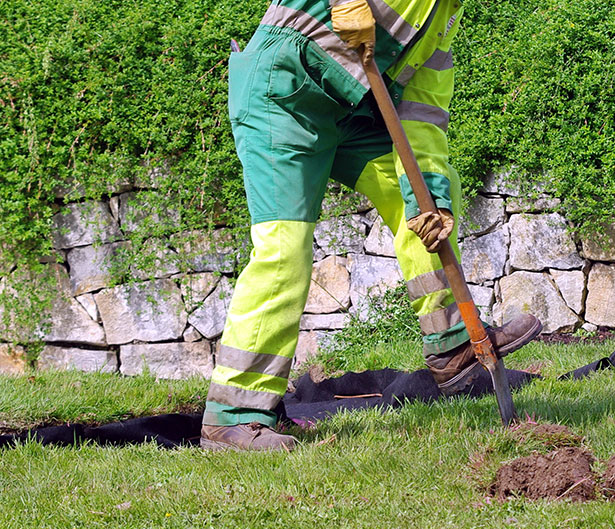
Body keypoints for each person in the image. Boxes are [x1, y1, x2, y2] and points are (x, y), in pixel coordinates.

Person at [200, 0, 542, 452]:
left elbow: (423, 117)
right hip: (284, 94)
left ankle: (452, 347)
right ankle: (231, 418)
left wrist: (433, 202)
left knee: (422, 202)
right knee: (284, 250)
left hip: (355, 115)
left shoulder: (443, 17)